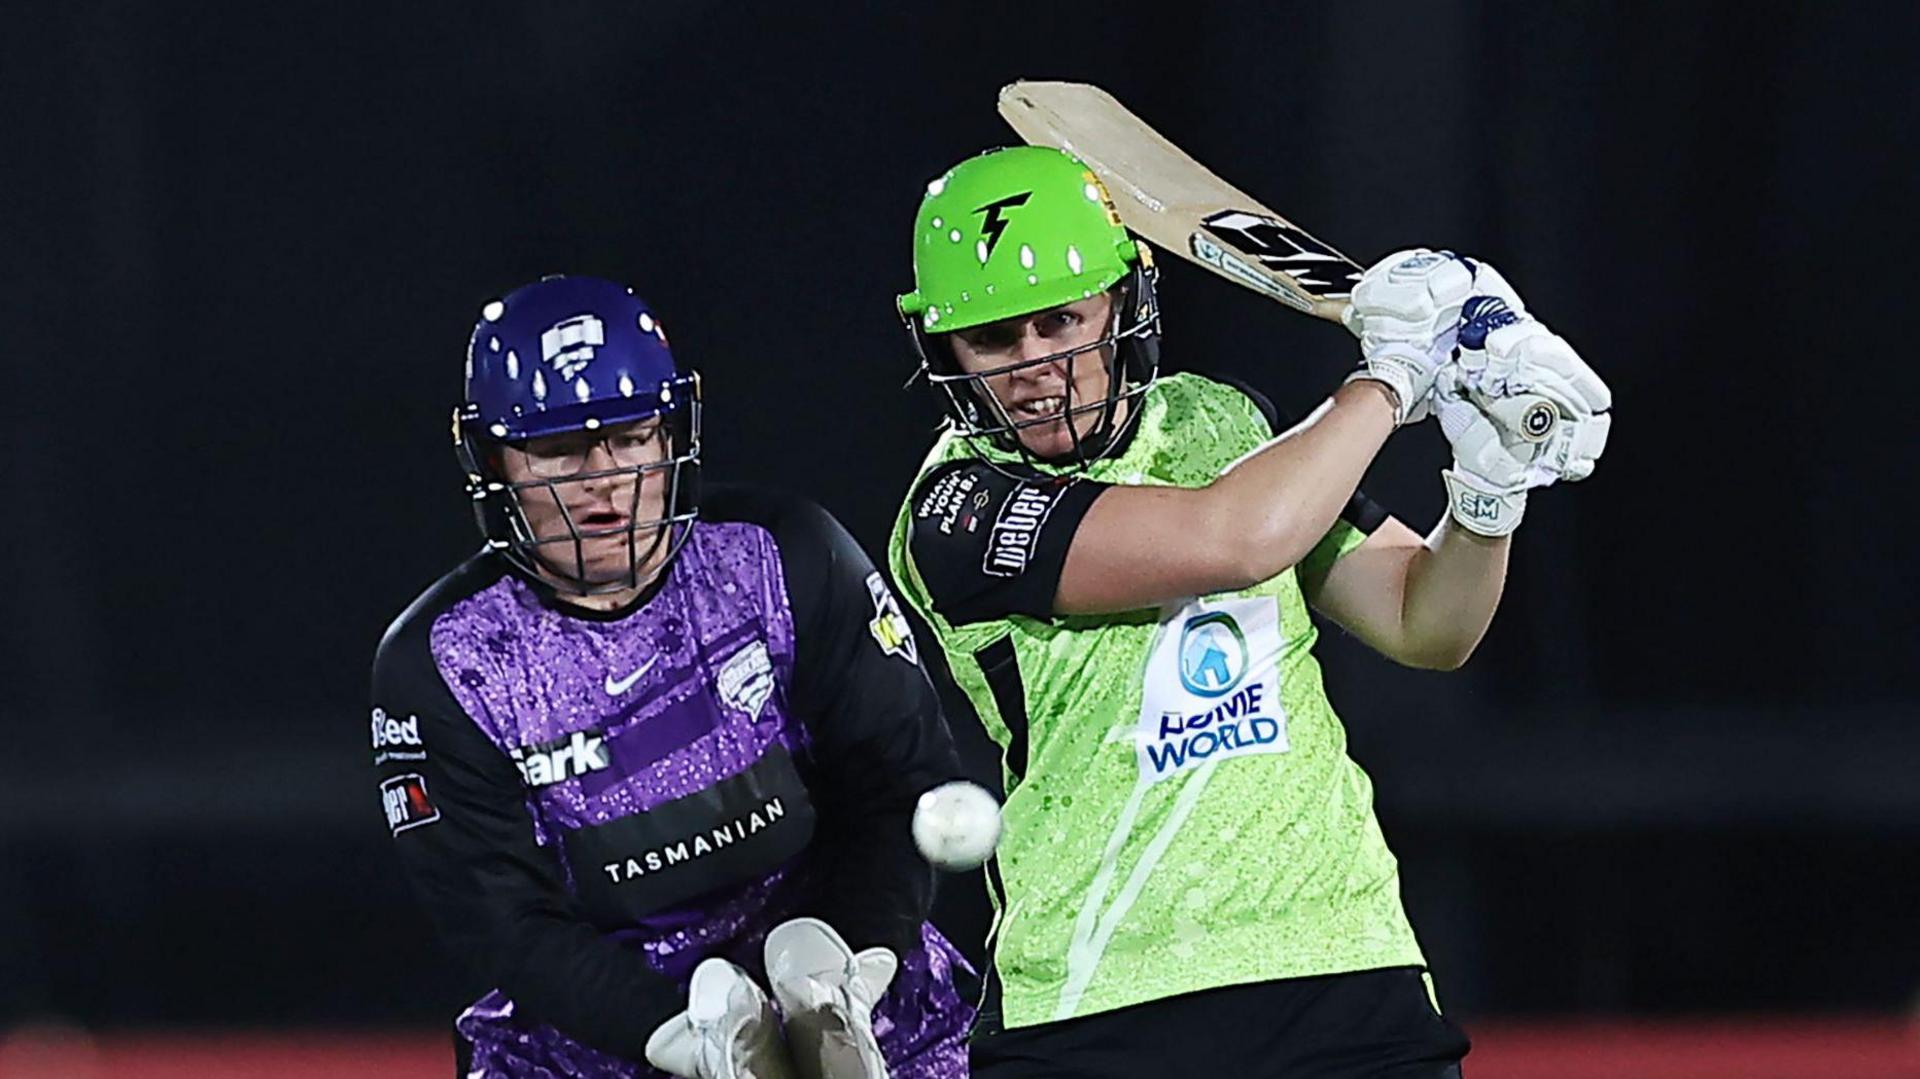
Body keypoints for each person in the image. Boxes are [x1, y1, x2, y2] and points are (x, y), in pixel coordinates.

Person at [885, 146, 1611, 1077]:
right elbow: (1233, 539)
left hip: (1343, 962)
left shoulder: (1223, 423)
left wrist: (1489, 491)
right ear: (942, 348)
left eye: (1059, 320)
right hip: (1105, 997)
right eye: (994, 339)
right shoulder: (957, 508)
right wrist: (1391, 377)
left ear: (1123, 302)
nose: (1037, 366)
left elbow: (1424, 622)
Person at [370, 275, 975, 1078]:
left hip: (848, 984)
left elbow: (901, 785)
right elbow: (502, 919)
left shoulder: (785, 555)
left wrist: (851, 964)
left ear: (670, 434)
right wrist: (680, 1035)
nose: (603, 477)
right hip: (595, 1042)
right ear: (493, 463)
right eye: (557, 448)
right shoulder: (445, 662)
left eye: (630, 435)